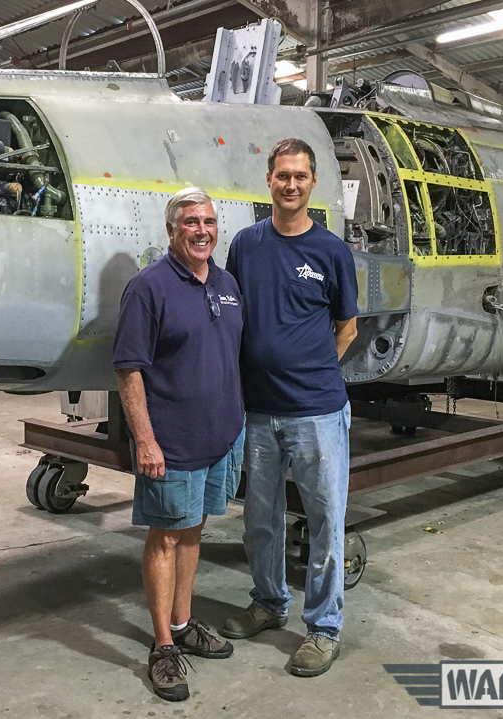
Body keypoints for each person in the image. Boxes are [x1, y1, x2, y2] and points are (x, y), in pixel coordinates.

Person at [221, 138, 359, 678]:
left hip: (317, 411)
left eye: (300, 176)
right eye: (283, 175)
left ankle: (324, 629)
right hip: (259, 412)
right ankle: (269, 603)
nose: (291, 184)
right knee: (260, 520)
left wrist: (312, 367)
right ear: (270, 179)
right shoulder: (246, 245)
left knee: (325, 523)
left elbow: (346, 328)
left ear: (313, 182)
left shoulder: (331, 251)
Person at [112, 186, 246, 702]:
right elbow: (128, 369)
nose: (201, 230)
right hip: (170, 443)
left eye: (209, 222)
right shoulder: (148, 288)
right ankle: (164, 645)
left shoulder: (228, 284)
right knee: (166, 537)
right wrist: (145, 440)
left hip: (220, 438)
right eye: (190, 222)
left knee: (194, 531)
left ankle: (185, 621)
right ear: (172, 230)